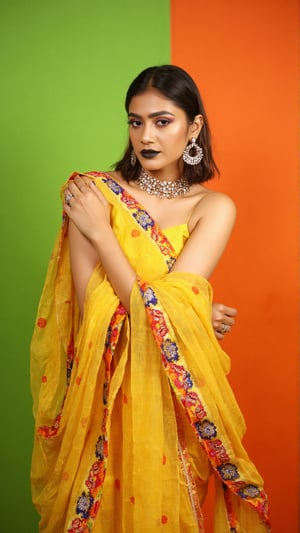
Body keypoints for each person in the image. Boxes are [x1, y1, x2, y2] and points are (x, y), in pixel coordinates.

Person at [30, 65, 270, 532]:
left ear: (193, 127)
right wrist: (191, 309)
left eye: (163, 121)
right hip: (104, 395)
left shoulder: (213, 208)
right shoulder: (93, 194)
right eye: (135, 122)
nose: (146, 135)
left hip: (174, 399)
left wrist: (104, 238)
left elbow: (160, 319)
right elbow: (93, 310)